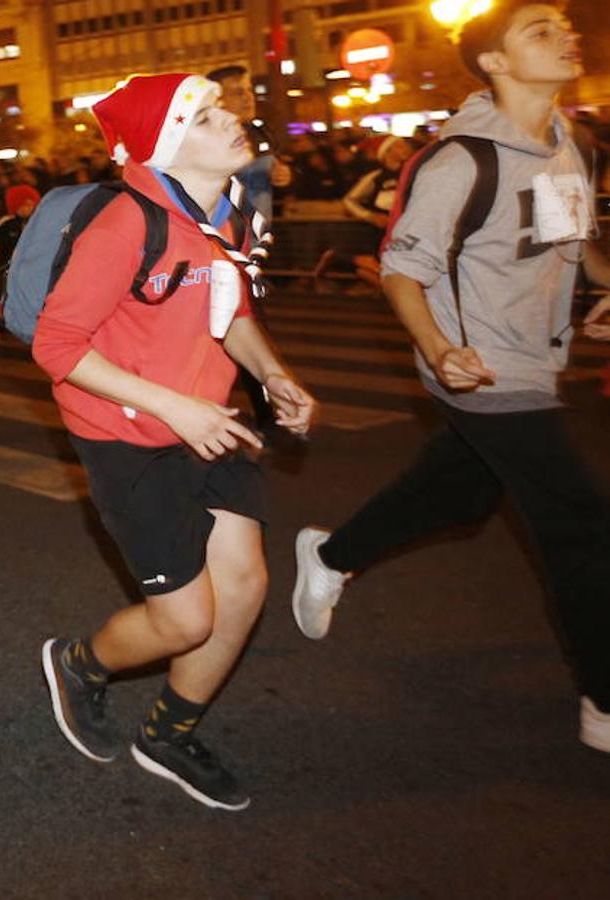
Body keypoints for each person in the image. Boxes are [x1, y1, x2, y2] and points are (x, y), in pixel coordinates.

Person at [291, 1, 610, 755]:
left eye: (563, 25)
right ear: (495, 63)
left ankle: (332, 555)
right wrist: (438, 349)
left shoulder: (570, 143)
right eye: (539, 31)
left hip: (538, 355)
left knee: (464, 491)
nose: (563, 37)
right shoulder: (462, 158)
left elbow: (576, 237)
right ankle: (603, 698)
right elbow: (403, 270)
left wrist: (602, 288)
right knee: (583, 524)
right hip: (481, 367)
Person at [32, 73, 317, 810]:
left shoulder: (232, 213)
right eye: (207, 115)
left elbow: (235, 311)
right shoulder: (127, 223)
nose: (232, 120)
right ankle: (79, 664)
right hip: (128, 438)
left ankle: (169, 732)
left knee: (246, 586)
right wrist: (176, 408)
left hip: (209, 424)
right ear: (164, 144)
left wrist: (272, 375)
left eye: (225, 109)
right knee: (185, 620)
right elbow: (58, 346)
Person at [207, 63, 293, 444]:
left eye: (247, 89)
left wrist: (285, 176)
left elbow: (273, 180)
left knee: (238, 327)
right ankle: (268, 417)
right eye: (236, 91)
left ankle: (262, 412)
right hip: (220, 244)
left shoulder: (259, 132)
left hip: (255, 245)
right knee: (246, 326)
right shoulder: (210, 133)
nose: (246, 97)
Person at [313, 136, 415, 293]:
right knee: (385, 269)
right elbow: (349, 200)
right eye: (399, 146)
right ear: (387, 152)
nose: (406, 149)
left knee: (383, 272)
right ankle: (343, 259)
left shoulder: (411, 175)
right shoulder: (375, 177)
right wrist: (370, 216)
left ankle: (343, 260)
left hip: (403, 229)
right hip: (381, 232)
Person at [0, 184, 40, 339]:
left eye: (31, 204)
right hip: (10, 269)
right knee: (6, 298)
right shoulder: (7, 222)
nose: (27, 208)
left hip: (33, 268)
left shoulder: (39, 221)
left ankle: (28, 327)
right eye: (23, 205)